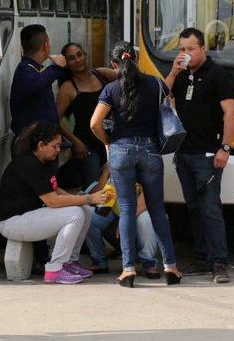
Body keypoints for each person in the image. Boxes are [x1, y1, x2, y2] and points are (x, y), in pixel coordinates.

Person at [90, 42, 183, 288]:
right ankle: (171, 266)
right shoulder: (155, 84)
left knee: (127, 209)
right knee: (156, 209)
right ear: (138, 60)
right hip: (151, 151)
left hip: (121, 150)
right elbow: (170, 109)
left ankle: (128, 269)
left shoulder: (111, 89)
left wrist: (109, 141)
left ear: (114, 65)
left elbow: (94, 123)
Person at [164, 27, 234, 284]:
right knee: (193, 208)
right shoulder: (181, 76)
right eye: (182, 49)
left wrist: (225, 148)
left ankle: (219, 263)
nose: (186, 54)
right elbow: (161, 96)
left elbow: (231, 112)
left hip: (208, 153)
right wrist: (174, 71)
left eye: (191, 49)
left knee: (210, 209)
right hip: (183, 153)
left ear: (203, 49)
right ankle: (202, 258)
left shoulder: (217, 75)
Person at [0, 120, 109, 284]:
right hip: (12, 222)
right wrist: (90, 198)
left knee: (83, 209)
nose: (58, 150)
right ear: (41, 145)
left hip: (27, 216)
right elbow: (52, 201)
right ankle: (55, 269)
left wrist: (82, 200)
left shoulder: (43, 161)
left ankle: (69, 262)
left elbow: (55, 190)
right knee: (75, 213)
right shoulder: (28, 164)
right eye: (55, 146)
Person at [84, 163, 160, 278]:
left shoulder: (144, 164)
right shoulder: (113, 162)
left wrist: (126, 219)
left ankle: (149, 262)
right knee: (89, 218)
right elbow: (94, 196)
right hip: (114, 209)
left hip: (138, 210)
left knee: (146, 219)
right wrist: (105, 173)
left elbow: (148, 198)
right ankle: (99, 261)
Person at [56, 42, 116, 187]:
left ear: (85, 54)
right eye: (71, 58)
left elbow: (128, 76)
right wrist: (75, 142)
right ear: (67, 64)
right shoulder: (68, 88)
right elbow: (54, 119)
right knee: (95, 186)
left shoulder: (101, 74)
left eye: (79, 55)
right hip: (87, 146)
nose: (77, 60)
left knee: (116, 184)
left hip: (111, 141)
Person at [9, 24, 67, 139]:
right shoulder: (25, 69)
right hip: (31, 145)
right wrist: (57, 67)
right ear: (45, 46)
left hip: (45, 142)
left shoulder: (33, 68)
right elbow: (37, 83)